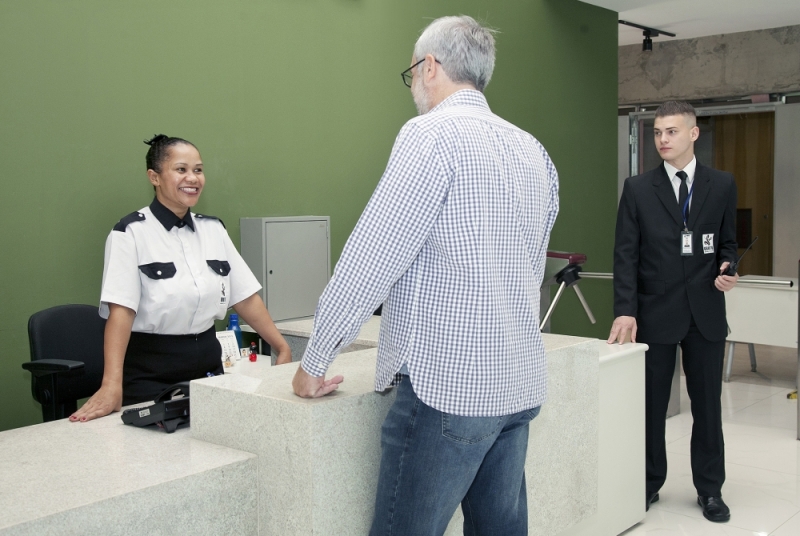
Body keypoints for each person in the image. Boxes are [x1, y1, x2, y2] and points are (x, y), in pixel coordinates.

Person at [291, 15, 559, 535]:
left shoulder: (429, 135)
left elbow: (372, 257)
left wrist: (316, 359)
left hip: (449, 392)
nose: (413, 84)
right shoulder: (533, 150)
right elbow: (530, 268)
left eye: (412, 72)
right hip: (517, 385)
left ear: (429, 66)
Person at [70, 134, 291, 422]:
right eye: (181, 169)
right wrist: (112, 384)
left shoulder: (213, 230)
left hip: (208, 368)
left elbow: (245, 297)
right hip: (151, 373)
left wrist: (281, 346)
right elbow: (121, 312)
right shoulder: (130, 233)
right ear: (155, 177)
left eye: (198, 169)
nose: (193, 178)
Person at [608, 101, 739, 523]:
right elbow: (625, 255)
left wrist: (728, 268)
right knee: (650, 408)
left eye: (671, 132)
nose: (662, 139)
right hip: (654, 312)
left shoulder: (721, 185)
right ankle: (647, 484)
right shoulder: (638, 189)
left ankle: (710, 490)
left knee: (707, 407)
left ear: (693, 133)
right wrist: (625, 309)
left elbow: (729, 245)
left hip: (705, 314)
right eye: (658, 133)